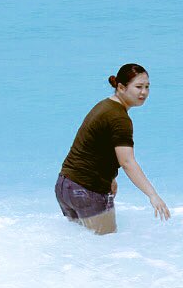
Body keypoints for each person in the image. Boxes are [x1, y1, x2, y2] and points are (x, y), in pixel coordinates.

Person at [55, 63, 170, 234]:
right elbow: (127, 162)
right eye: (138, 87)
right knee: (107, 250)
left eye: (147, 87)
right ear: (121, 87)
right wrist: (152, 195)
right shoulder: (119, 118)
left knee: (81, 244)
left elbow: (95, 146)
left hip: (66, 186)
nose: (144, 92)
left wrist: (110, 178)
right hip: (87, 191)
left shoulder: (105, 106)